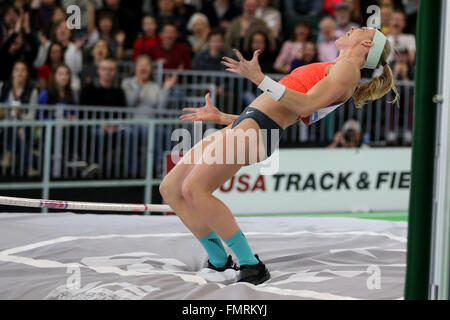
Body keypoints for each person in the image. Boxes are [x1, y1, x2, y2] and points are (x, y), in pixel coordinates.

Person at [161, 27, 399, 285]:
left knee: (195, 188)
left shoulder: (347, 70)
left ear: (366, 43)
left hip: (258, 129)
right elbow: (283, 109)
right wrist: (225, 118)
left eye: (360, 29)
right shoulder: (338, 66)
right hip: (249, 123)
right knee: (171, 188)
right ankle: (219, 261)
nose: (352, 28)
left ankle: (251, 265)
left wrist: (259, 78)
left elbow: (304, 105)